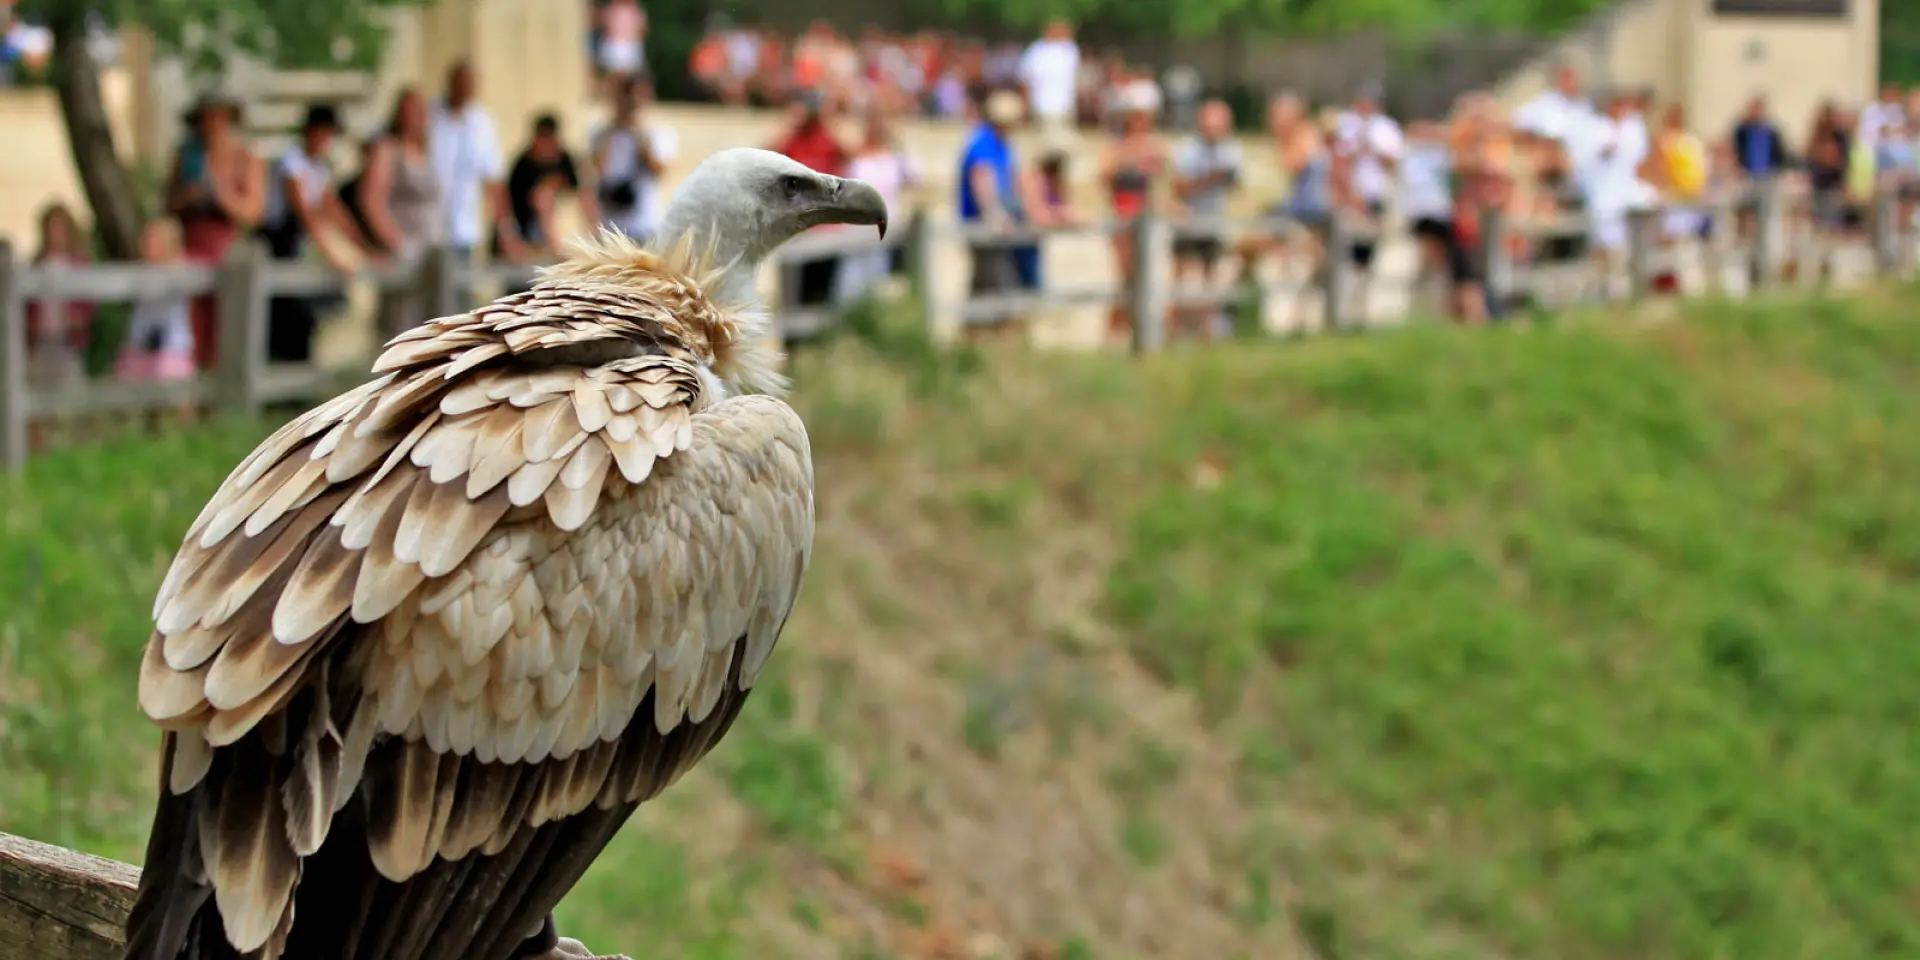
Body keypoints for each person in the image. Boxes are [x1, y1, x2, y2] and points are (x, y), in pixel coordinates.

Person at [258, 102, 378, 364]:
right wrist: (333, 251)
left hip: (301, 246)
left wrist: (363, 245)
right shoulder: (291, 163)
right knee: (285, 314)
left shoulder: (319, 169)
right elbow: (306, 212)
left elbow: (334, 211)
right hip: (280, 245)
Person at [165, 91, 264, 372]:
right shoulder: (187, 156)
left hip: (228, 248)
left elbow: (253, 212)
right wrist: (189, 197)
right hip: (191, 246)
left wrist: (221, 193)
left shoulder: (245, 156)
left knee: (227, 323)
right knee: (190, 322)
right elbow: (168, 203)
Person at [430, 59, 527, 297]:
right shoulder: (429, 115)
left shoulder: (482, 123)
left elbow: (493, 181)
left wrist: (505, 230)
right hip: (426, 230)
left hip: (463, 228)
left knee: (457, 299)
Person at [958, 88, 1038, 338]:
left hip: (991, 226)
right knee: (1002, 285)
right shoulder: (984, 142)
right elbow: (983, 181)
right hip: (985, 228)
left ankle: (973, 338)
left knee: (983, 285)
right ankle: (1000, 338)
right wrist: (996, 217)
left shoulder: (1000, 143)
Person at [768, 90, 850, 309]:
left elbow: (849, 154)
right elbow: (764, 156)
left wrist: (831, 122)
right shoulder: (793, 139)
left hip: (824, 228)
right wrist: (788, 124)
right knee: (793, 291)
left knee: (822, 292)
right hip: (796, 228)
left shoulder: (827, 140)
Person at [1170, 98, 1242, 340]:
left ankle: (1205, 331)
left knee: (1210, 280)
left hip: (1215, 222)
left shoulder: (1231, 150)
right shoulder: (1187, 148)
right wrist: (1212, 178)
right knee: (1179, 278)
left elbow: (1236, 186)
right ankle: (1174, 328)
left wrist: (1226, 179)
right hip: (1188, 222)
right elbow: (1179, 188)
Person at [1100, 80, 1167, 342]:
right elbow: (1104, 178)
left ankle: (1136, 332)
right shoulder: (1117, 146)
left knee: (1145, 277)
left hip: (1146, 218)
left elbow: (1162, 184)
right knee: (1125, 278)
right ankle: (1117, 333)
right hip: (1123, 216)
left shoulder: (1155, 146)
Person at [115, 218, 199, 424]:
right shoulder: (138, 273)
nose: (147, 243)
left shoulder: (181, 269)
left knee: (175, 394)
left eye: (155, 239)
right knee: (130, 393)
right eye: (146, 238)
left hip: (171, 347)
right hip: (140, 346)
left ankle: (186, 435)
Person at [834, 110, 920, 304]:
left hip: (885, 234)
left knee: (879, 285)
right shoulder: (856, 158)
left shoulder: (894, 159)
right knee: (850, 285)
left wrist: (899, 146)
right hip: (856, 232)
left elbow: (916, 178)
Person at [591, 75, 675, 245]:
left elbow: (658, 171)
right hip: (611, 225)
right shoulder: (601, 132)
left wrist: (639, 134)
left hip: (645, 224)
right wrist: (615, 126)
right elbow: (597, 168)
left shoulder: (659, 132)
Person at [504, 112, 596, 259]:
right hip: (526, 236)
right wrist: (510, 238)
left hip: (557, 241)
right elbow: (507, 205)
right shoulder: (522, 165)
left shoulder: (565, 160)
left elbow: (583, 195)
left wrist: (594, 232)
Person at [25, 202, 94, 397]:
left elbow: (88, 305)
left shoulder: (79, 263)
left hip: (68, 344)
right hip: (40, 344)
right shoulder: (37, 264)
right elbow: (25, 307)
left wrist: (75, 319)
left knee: (70, 396)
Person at [1019, 19, 1080, 145]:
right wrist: (1025, 104)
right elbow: (1024, 80)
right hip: (1043, 107)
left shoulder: (1071, 50)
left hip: (1066, 108)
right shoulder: (1035, 51)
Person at [595, 0, 646, 90]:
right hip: (616, 45)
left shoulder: (636, 12)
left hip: (628, 46)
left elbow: (640, 31)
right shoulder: (612, 10)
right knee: (614, 75)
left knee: (627, 75)